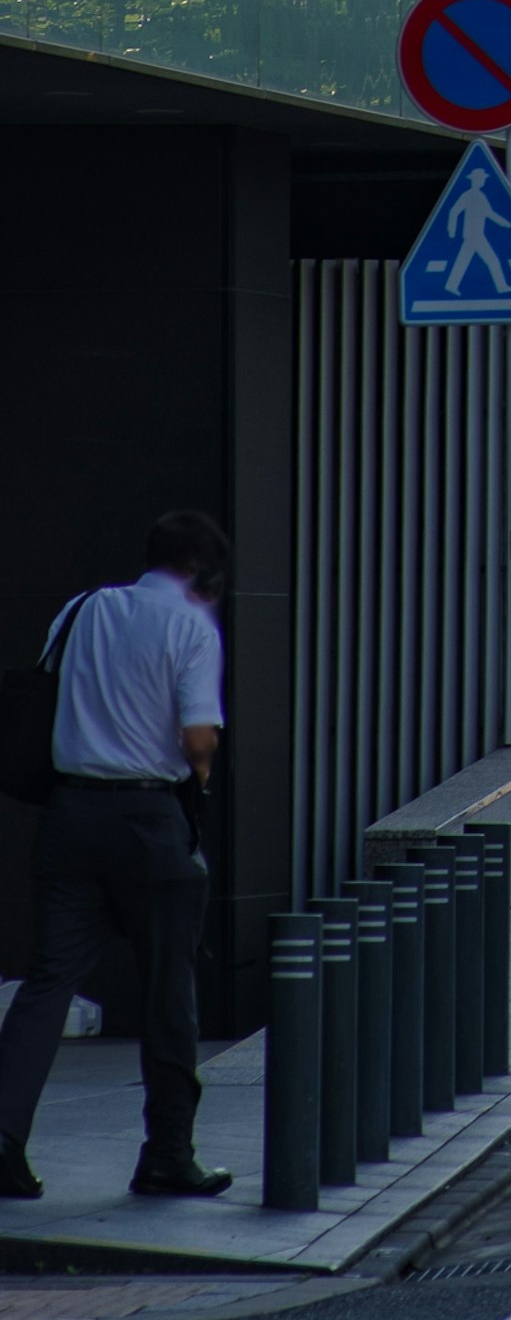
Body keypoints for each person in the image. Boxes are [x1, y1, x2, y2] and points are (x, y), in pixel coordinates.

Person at [0, 511, 235, 1205]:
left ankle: (3, 1140)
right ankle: (167, 1155)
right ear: (202, 572)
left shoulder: (82, 610)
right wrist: (203, 782)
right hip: (148, 820)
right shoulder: (192, 627)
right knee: (169, 994)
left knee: (48, 985)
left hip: (69, 817)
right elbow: (198, 739)